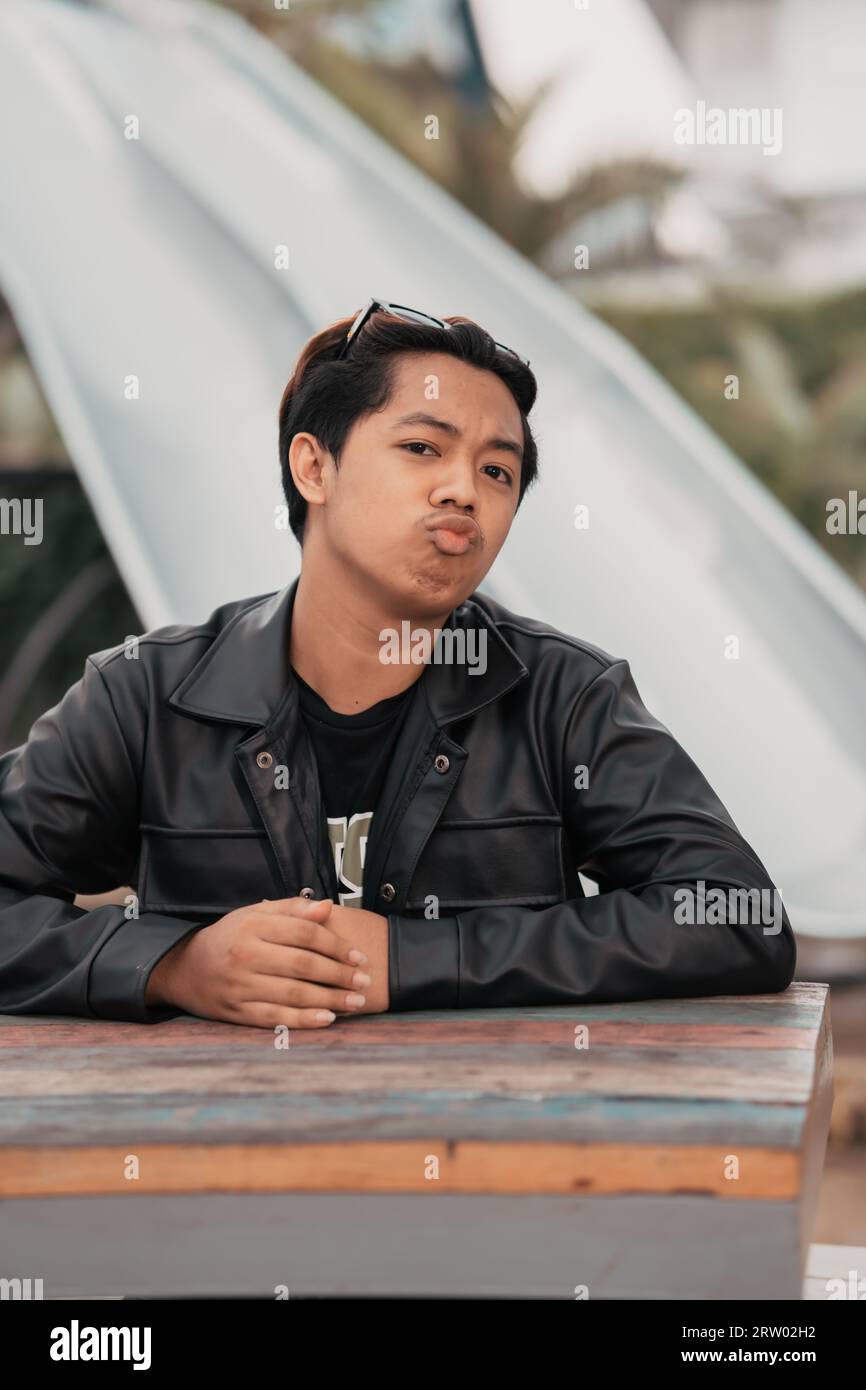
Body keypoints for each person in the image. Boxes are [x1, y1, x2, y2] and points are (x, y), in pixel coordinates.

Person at [0, 299, 796, 1028]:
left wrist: (413, 958)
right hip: (219, 1155)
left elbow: (736, 915)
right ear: (314, 467)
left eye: (497, 470)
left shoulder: (562, 696)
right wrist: (172, 965)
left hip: (496, 1152)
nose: (464, 491)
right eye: (422, 447)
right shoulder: (147, 696)